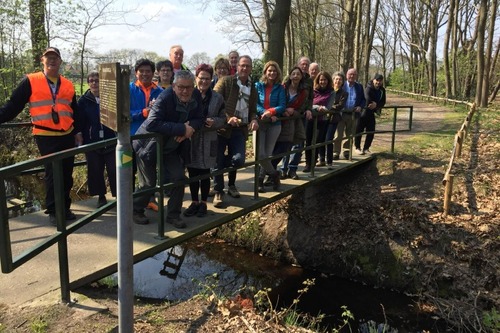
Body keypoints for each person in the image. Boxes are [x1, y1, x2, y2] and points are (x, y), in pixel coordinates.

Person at [0, 47, 82, 225]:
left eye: (55, 58)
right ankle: (54, 210)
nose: (52, 60)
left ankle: (65, 207)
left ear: (60, 61)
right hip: (46, 135)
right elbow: (13, 106)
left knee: (67, 174)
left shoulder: (68, 84)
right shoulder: (30, 80)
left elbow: (74, 110)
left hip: (67, 134)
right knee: (53, 173)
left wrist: (78, 132)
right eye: (48, 57)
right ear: (42, 60)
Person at [132, 70, 204, 227]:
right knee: (148, 184)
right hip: (148, 145)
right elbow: (152, 123)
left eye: (189, 87)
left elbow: (200, 118)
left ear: (193, 87)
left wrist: (190, 128)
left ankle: (173, 215)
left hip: (170, 147)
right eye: (181, 87)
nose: (185, 91)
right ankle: (136, 210)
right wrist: (181, 129)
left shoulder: (196, 96)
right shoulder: (165, 97)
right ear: (174, 86)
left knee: (179, 178)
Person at [213, 55, 259, 207]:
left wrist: (254, 119)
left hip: (240, 128)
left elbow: (253, 109)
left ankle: (231, 184)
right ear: (237, 67)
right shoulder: (226, 81)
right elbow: (214, 102)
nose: (245, 68)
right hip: (222, 128)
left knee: (238, 159)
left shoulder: (252, 87)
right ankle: (218, 190)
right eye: (242, 65)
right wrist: (227, 118)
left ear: (251, 68)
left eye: (248, 66)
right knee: (218, 159)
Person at [183, 64, 226, 217]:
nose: (204, 81)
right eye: (201, 78)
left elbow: (223, 118)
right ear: (196, 78)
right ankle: (194, 202)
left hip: (209, 139)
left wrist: (214, 122)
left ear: (211, 79)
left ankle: (203, 203)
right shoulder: (189, 94)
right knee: (193, 171)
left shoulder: (217, 97)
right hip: (192, 140)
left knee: (206, 172)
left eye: (207, 78)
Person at [129, 58, 163, 216]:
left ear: (152, 73)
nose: (144, 74)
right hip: (130, 138)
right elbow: (122, 115)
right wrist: (142, 113)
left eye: (148, 71)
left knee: (148, 179)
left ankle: (139, 207)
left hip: (149, 141)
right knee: (128, 174)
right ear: (136, 73)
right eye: (141, 71)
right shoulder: (128, 90)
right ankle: (129, 206)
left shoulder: (160, 92)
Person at [78, 71, 116, 208]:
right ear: (88, 83)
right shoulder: (83, 101)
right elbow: (80, 121)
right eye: (91, 80)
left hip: (110, 138)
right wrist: (81, 136)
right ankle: (101, 196)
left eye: (97, 80)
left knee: (114, 169)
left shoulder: (110, 98)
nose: (94, 83)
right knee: (95, 170)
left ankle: (119, 195)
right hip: (92, 141)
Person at [255, 61, 286, 192]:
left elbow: (282, 105)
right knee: (261, 155)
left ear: (277, 73)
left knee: (267, 154)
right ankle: (274, 175)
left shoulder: (280, 88)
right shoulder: (258, 86)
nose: (272, 73)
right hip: (261, 123)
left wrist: (272, 112)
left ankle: (260, 181)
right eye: (269, 71)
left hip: (274, 124)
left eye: (274, 71)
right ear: (265, 72)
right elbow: (254, 103)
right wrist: (264, 113)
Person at [274, 66, 308, 180]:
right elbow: (277, 103)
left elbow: (302, 108)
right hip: (281, 121)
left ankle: (292, 169)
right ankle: (280, 170)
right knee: (282, 146)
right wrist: (284, 111)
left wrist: (293, 112)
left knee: (296, 145)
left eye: (298, 74)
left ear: (301, 76)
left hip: (295, 122)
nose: (295, 76)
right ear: (290, 75)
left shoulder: (303, 92)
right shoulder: (282, 88)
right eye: (293, 74)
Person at [285, 57, 313, 177]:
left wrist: (309, 109)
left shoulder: (309, 81)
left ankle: (292, 169)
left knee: (299, 142)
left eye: (307, 65)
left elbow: (311, 98)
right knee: (285, 142)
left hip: (300, 115)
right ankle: (283, 168)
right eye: (303, 64)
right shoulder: (287, 80)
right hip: (286, 116)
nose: (305, 66)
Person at [303, 71, 334, 172]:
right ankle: (308, 163)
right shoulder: (313, 91)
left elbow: (328, 107)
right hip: (310, 119)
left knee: (316, 141)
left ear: (328, 81)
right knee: (308, 141)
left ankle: (313, 162)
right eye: (321, 80)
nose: (322, 82)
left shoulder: (331, 92)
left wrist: (321, 108)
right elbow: (308, 104)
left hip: (322, 120)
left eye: (324, 80)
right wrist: (318, 107)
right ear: (318, 80)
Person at [333, 68, 365, 160]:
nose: (352, 76)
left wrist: (360, 106)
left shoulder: (359, 86)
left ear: (356, 76)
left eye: (354, 74)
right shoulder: (341, 85)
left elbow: (363, 99)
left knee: (350, 134)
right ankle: (336, 152)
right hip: (341, 113)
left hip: (353, 114)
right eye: (350, 74)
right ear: (346, 75)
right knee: (338, 134)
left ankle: (346, 151)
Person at [355, 74, 386, 155]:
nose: (378, 82)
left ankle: (366, 148)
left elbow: (383, 102)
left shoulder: (382, 90)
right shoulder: (368, 88)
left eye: (380, 80)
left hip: (372, 113)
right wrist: (375, 104)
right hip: (363, 113)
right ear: (373, 80)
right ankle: (357, 147)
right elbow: (368, 100)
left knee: (371, 131)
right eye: (377, 80)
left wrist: (376, 105)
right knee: (359, 130)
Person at [324, 72, 348, 169]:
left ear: (342, 82)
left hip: (334, 118)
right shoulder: (327, 90)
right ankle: (321, 158)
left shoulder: (344, 93)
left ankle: (329, 161)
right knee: (321, 139)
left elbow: (340, 106)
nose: (338, 81)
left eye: (340, 79)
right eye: (336, 79)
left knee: (329, 139)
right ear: (333, 80)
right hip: (323, 117)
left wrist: (328, 108)